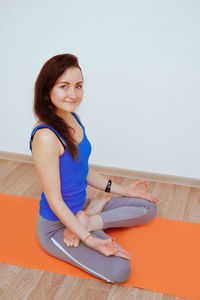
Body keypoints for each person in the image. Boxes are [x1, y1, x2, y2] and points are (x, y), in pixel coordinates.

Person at [29, 54, 158, 283]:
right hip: (56, 225)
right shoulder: (46, 137)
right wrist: (90, 239)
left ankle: (89, 218)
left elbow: (83, 171)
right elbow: (55, 200)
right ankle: (85, 221)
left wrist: (124, 191)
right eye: (64, 86)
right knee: (120, 271)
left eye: (78, 86)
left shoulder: (73, 118)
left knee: (148, 206)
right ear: (47, 89)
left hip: (81, 208)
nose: (73, 94)